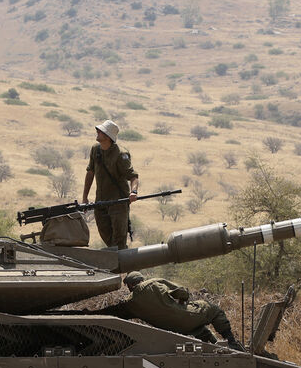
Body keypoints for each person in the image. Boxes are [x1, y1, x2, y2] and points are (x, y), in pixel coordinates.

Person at [119, 272, 244, 350]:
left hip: (172, 330)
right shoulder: (153, 283)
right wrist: (182, 302)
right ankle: (231, 342)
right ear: (141, 278)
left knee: (200, 330)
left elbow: (118, 314)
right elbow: (182, 291)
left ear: (130, 285)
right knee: (212, 310)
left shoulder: (130, 303)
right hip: (184, 318)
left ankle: (213, 344)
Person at [81, 119, 139, 249]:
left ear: (107, 136)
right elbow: (90, 172)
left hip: (118, 202)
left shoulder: (121, 154)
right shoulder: (95, 150)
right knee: (106, 236)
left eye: (100, 131)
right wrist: (85, 198)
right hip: (100, 202)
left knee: (119, 240)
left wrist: (133, 192)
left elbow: (133, 176)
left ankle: (122, 266)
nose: (97, 132)